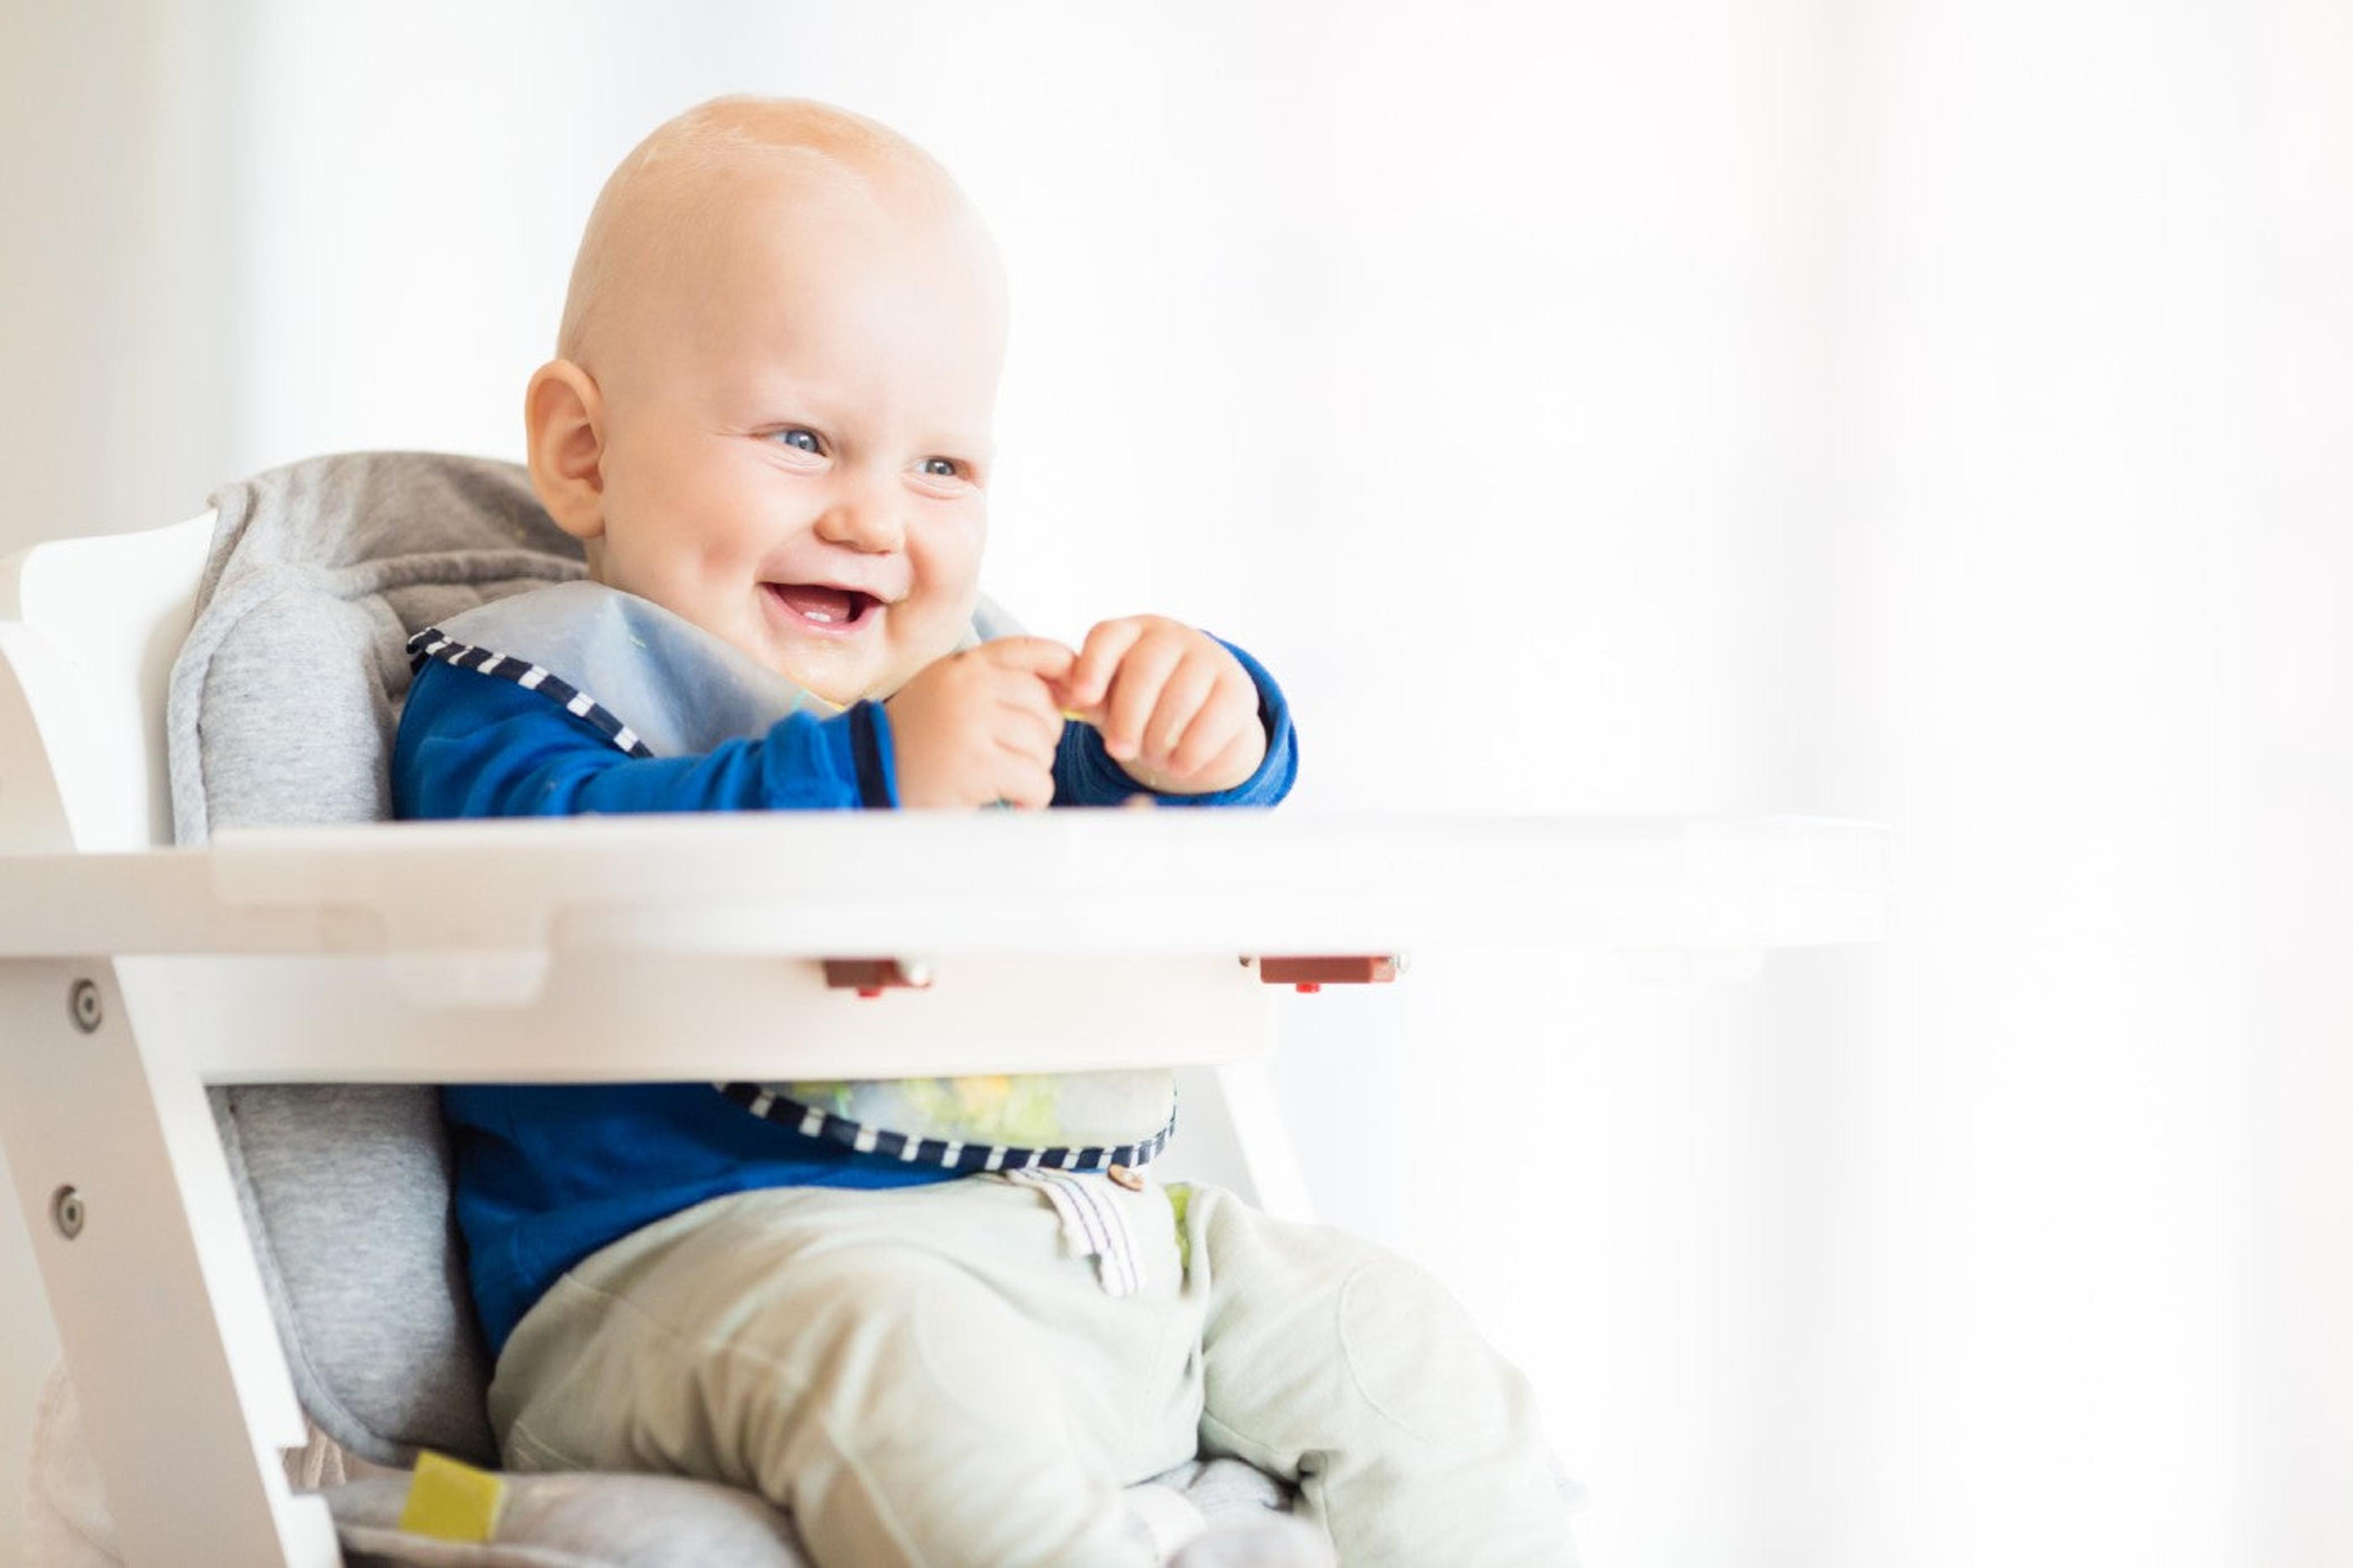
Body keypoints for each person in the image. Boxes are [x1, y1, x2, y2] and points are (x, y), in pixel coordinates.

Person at [392, 96, 1577, 1567]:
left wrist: (1204, 745)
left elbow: (1155, 844)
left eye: (942, 467)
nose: (877, 521)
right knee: (900, 1353)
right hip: (717, 1280)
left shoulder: (970, 690)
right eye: (804, 439)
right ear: (583, 448)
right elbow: (543, 868)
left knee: (1383, 1328)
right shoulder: (532, 684)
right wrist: (874, 772)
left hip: (1095, 1248)